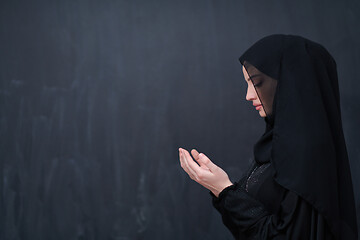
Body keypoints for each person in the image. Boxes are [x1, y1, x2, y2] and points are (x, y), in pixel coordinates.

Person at [178, 34, 358, 239]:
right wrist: (222, 189)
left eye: (256, 82)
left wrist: (224, 190)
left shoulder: (306, 152)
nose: (248, 95)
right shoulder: (278, 145)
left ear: (290, 81)